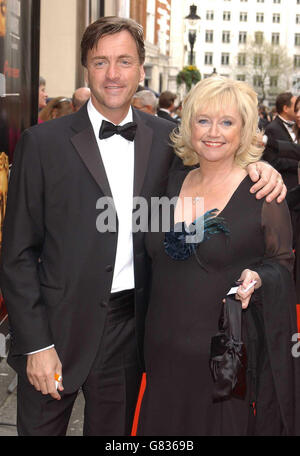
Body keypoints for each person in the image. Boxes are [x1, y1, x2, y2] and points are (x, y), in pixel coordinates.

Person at [0, 17, 285, 437]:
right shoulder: (42, 143)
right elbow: (17, 253)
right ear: (85, 68)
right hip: (54, 329)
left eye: (124, 61)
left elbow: (218, 161)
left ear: (141, 68)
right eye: (100, 62)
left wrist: (261, 168)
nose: (113, 74)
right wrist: (36, 344)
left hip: (131, 332)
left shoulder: (169, 140)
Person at [137, 76, 300, 436]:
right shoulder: (169, 183)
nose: (214, 132)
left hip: (223, 367)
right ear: (188, 124)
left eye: (227, 122)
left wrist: (257, 279)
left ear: (244, 131)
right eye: (203, 120)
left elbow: (282, 266)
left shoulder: (263, 193)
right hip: (162, 358)